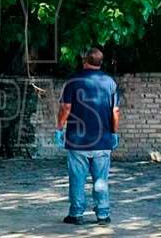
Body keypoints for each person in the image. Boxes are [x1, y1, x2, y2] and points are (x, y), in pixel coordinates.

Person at [55, 47, 120, 225]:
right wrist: (114, 133)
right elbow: (115, 111)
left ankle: (76, 214)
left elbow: (66, 107)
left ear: (84, 61)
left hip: (78, 141)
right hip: (103, 140)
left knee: (77, 179)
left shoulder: (73, 81)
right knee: (101, 179)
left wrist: (59, 128)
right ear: (101, 62)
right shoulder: (110, 82)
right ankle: (103, 214)